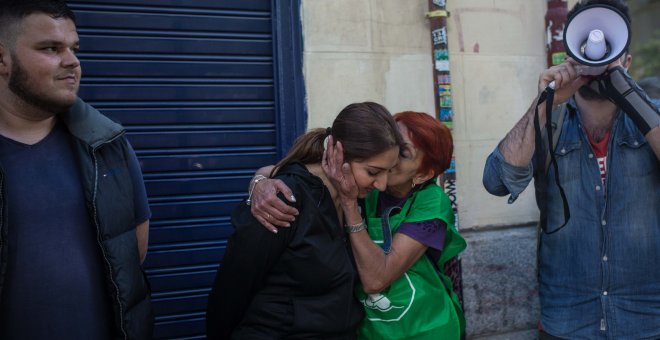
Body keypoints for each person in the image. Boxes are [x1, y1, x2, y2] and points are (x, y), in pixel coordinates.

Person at [482, 0, 660, 338]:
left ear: (628, 61)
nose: (600, 63)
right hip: (568, 320)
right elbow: (496, 181)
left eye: (612, 54)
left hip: (647, 319)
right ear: (571, 58)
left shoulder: (652, 119)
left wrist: (627, 92)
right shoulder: (551, 120)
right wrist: (543, 103)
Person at [0, 1, 153, 339]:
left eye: (74, 48)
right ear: (2, 59)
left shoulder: (107, 145)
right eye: (51, 48)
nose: (72, 62)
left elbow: (131, 254)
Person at [250, 111, 467, 339]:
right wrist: (259, 184)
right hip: (369, 331)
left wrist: (350, 204)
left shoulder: (430, 201)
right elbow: (284, 173)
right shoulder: (364, 179)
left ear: (423, 174)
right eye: (391, 141)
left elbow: (376, 280)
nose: (389, 156)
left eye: (402, 153)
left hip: (424, 327)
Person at [205, 102, 402, 339]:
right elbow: (232, 290)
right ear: (338, 155)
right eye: (373, 172)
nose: (382, 184)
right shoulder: (283, 200)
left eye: (388, 171)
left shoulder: (354, 197)